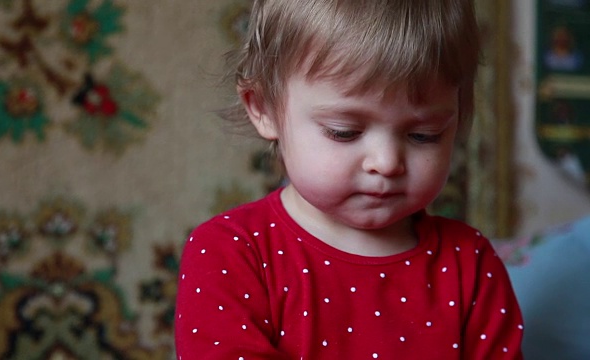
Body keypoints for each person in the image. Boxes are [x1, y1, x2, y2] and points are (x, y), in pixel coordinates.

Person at [175, 0, 524, 359]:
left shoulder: (471, 263)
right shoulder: (230, 251)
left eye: (424, 135)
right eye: (345, 132)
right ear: (263, 109)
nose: (387, 163)